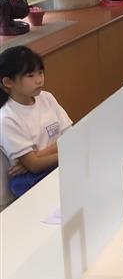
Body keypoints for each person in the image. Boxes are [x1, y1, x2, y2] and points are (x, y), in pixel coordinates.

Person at [0, 46, 71, 198]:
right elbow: (35, 166)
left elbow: (71, 136)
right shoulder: (7, 118)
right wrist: (69, 152)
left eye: (40, 72)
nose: (39, 80)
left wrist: (36, 156)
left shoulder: (46, 97)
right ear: (8, 82)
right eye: (30, 75)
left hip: (55, 163)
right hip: (31, 178)